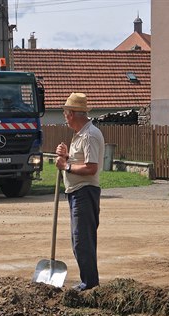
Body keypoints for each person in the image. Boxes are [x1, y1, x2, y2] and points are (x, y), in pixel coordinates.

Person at [55, 92, 105, 291]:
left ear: (72, 114)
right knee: (79, 240)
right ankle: (88, 281)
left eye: (66, 113)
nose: (64, 117)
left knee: (82, 240)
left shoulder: (90, 135)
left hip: (85, 192)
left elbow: (91, 168)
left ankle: (90, 283)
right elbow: (80, 161)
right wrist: (67, 157)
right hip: (76, 192)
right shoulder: (80, 134)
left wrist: (65, 166)